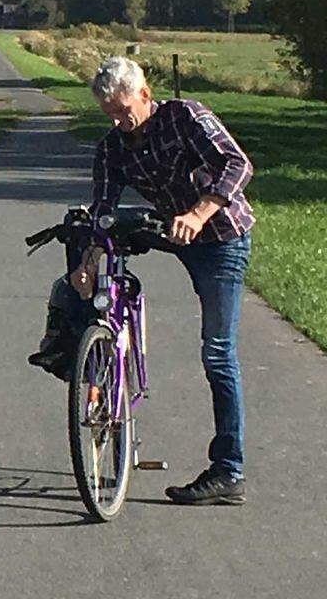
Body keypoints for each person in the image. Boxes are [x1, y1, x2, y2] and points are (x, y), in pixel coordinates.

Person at [88, 55, 255, 505]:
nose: (119, 121)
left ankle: (229, 471)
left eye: (124, 110)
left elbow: (238, 165)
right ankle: (98, 363)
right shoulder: (112, 147)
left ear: (144, 94)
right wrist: (89, 255)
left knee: (217, 353)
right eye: (109, 114)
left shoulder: (185, 117)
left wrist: (199, 213)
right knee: (86, 250)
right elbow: (103, 204)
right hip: (171, 232)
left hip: (219, 238)